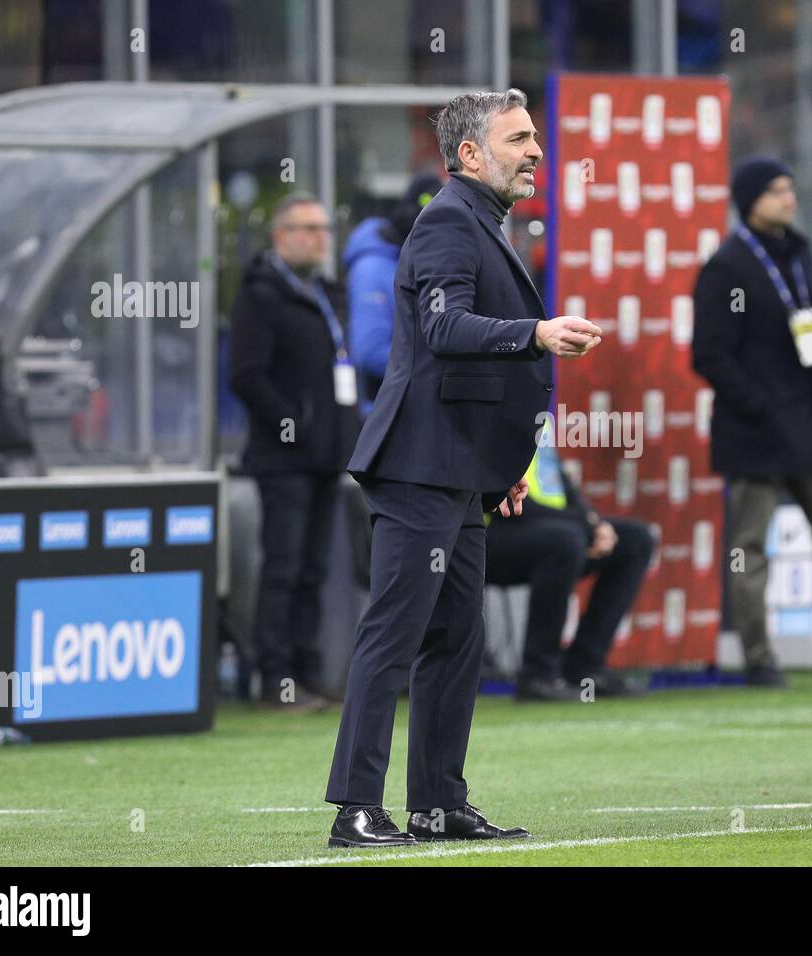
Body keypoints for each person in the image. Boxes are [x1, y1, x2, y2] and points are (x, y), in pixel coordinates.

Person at [324, 88, 604, 848]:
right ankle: (356, 808)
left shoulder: (480, 222)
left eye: (535, 138)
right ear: (470, 154)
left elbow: (456, 366)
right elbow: (446, 330)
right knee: (396, 633)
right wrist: (538, 331)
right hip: (418, 467)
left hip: (458, 468)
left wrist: (495, 462)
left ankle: (437, 804)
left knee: (457, 638)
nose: (536, 152)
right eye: (518, 138)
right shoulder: (449, 219)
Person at [692, 155, 812, 688]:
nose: (790, 198)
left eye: (790, 188)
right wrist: (759, 405)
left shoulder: (800, 254)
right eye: (777, 190)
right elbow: (708, 354)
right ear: (750, 200)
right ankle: (759, 658)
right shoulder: (726, 267)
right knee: (750, 548)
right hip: (758, 432)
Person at [228, 192, 362, 711]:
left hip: (327, 457)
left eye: (324, 228)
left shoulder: (328, 294)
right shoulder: (261, 296)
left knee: (313, 570)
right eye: (307, 228)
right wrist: (294, 424)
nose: (319, 237)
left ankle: (307, 677)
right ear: (281, 236)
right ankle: (274, 680)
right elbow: (246, 376)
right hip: (282, 460)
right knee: (281, 567)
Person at [485, 422, 653, 701]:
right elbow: (506, 501)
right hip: (486, 537)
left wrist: (594, 524)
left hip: (551, 528)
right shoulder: (492, 412)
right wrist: (584, 528)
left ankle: (584, 666)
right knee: (564, 541)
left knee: (635, 540)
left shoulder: (536, 414)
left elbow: (561, 481)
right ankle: (538, 675)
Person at [343, 171, 444, 408]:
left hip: (409, 406)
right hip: (383, 412)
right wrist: (436, 368)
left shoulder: (414, 261)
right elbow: (369, 350)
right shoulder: (373, 268)